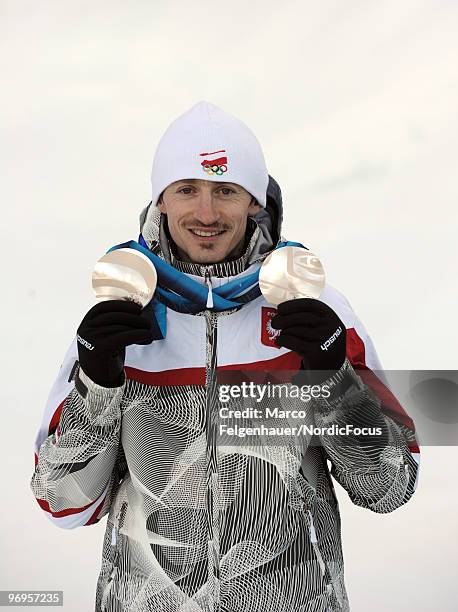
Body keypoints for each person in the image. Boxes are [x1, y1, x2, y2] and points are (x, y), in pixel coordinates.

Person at [30, 101, 420, 612]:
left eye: (226, 191)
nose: (207, 214)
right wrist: (98, 385)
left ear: (254, 202)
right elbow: (62, 503)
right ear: (161, 201)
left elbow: (389, 486)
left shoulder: (315, 311)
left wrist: (332, 377)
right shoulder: (119, 316)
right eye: (187, 189)